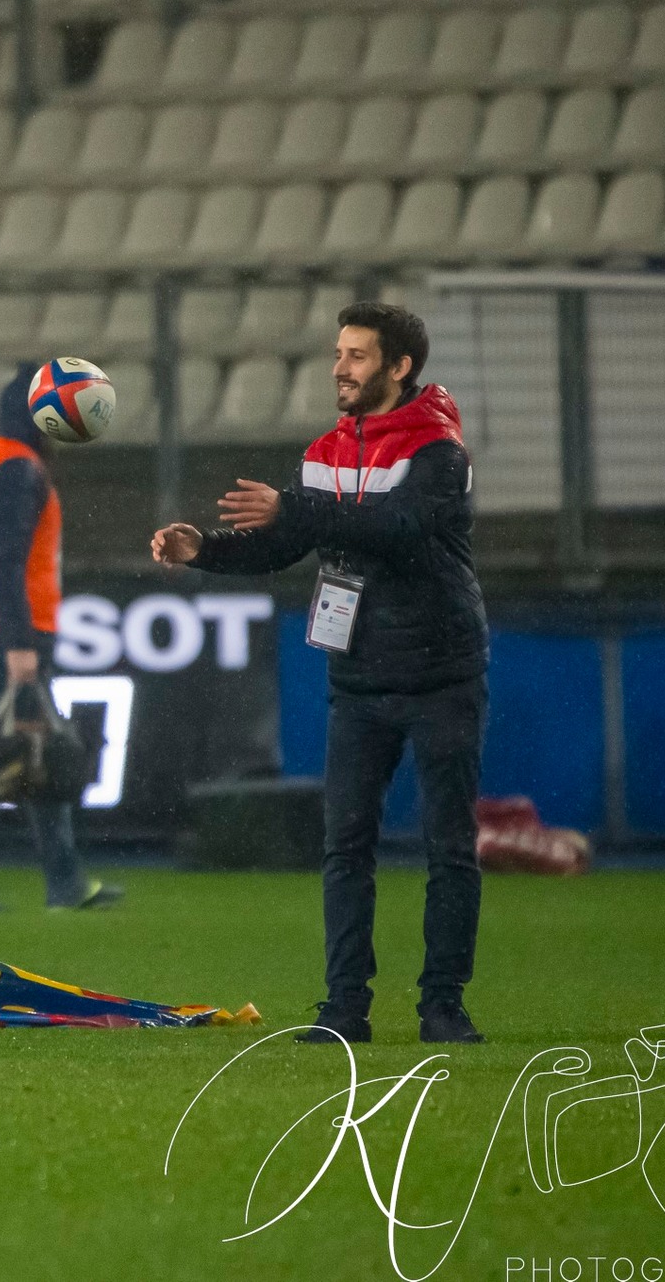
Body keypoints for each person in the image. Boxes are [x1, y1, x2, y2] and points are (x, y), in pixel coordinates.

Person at [150, 303, 490, 1045]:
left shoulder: (439, 449)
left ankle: (442, 1005)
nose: (340, 367)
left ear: (399, 367)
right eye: (339, 353)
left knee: (448, 846)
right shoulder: (325, 453)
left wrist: (297, 507)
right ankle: (344, 1008)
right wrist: (203, 549)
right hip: (360, 675)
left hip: (440, 672)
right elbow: (282, 544)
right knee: (345, 849)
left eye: (357, 355)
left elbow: (400, 528)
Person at [0, 371, 122, 912]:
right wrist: (19, 645)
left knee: (26, 749)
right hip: (5, 635)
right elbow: (3, 565)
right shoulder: (17, 470)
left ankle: (60, 880)